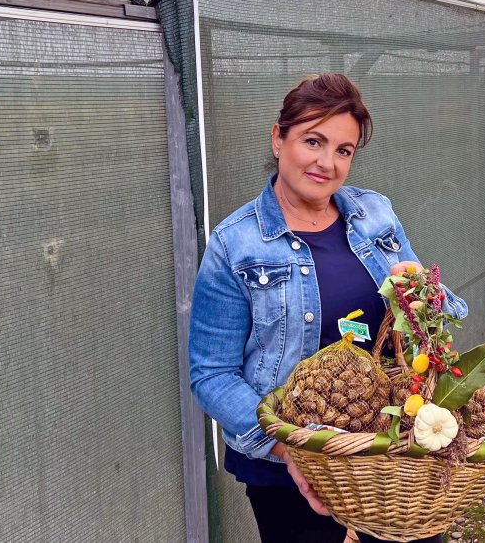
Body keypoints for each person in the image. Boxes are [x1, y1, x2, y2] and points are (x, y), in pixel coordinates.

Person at [189, 73, 468, 543]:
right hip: (292, 463)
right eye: (312, 141)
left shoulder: (374, 213)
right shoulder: (235, 244)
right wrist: (290, 448)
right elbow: (211, 373)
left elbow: (431, 311)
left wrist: (422, 294)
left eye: (344, 150)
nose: (327, 163)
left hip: (389, 450)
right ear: (278, 139)